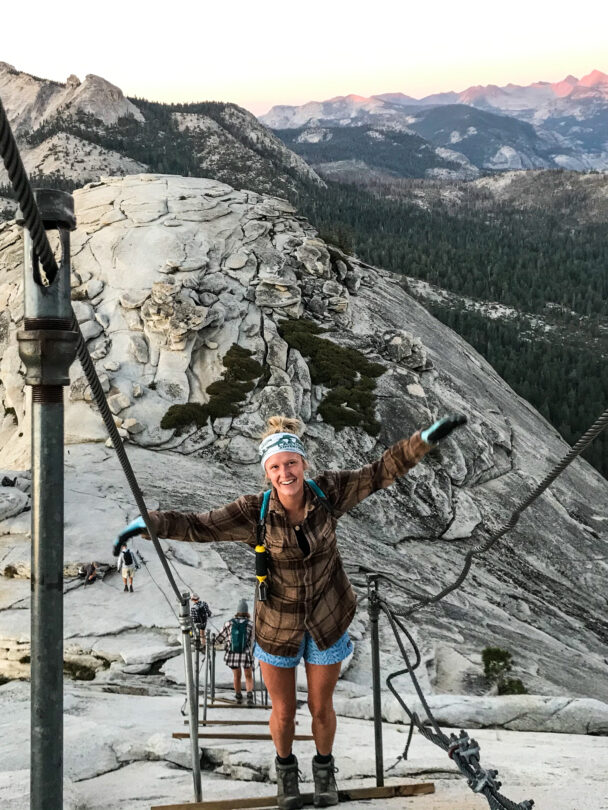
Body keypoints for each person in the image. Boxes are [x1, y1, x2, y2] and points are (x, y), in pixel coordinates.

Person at [115, 412, 465, 809]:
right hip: (277, 627)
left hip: (327, 620)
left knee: (320, 706)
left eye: (292, 463)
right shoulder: (254, 512)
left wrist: (424, 440)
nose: (286, 473)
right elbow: (199, 525)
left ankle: (324, 771)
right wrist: (148, 524)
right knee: (282, 711)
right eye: (276, 467)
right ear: (268, 473)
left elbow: (380, 472)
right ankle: (286, 774)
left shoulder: (327, 493)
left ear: (304, 464)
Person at [214, 599, 255, 706]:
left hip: (232, 654)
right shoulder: (251, 624)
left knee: (237, 676)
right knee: (248, 676)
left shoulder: (229, 623)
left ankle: (238, 695)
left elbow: (219, 639)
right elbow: (254, 641)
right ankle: (249, 695)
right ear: (246, 612)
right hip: (246, 655)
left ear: (237, 611)